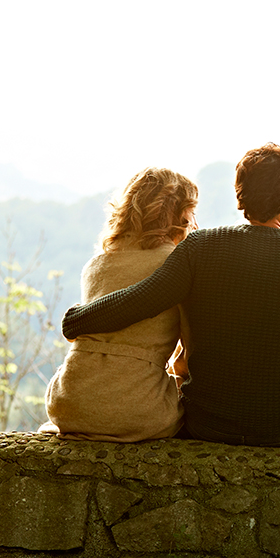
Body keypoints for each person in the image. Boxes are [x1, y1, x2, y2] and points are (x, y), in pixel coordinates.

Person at [61, 143, 280, 447]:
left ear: (239, 196)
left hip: (207, 423)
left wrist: (76, 320)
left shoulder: (200, 247)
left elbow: (139, 300)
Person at [42, 168, 197, 442]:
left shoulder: (95, 265)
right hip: (137, 411)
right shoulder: (177, 264)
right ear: (182, 214)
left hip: (67, 402)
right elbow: (188, 354)